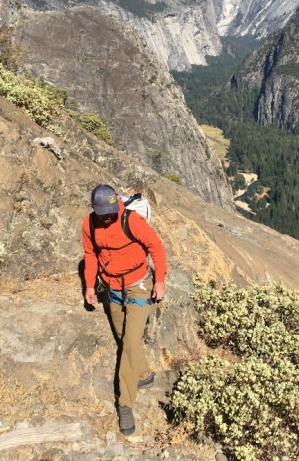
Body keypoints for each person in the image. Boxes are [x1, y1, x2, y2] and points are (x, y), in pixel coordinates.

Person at [82, 184, 167, 436]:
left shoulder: (131, 220)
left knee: (130, 344)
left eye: (111, 210)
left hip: (139, 287)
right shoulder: (89, 224)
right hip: (112, 289)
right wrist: (89, 285)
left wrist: (159, 280)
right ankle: (143, 373)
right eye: (103, 212)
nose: (108, 216)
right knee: (123, 337)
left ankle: (125, 404)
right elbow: (90, 255)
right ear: (95, 209)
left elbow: (156, 247)